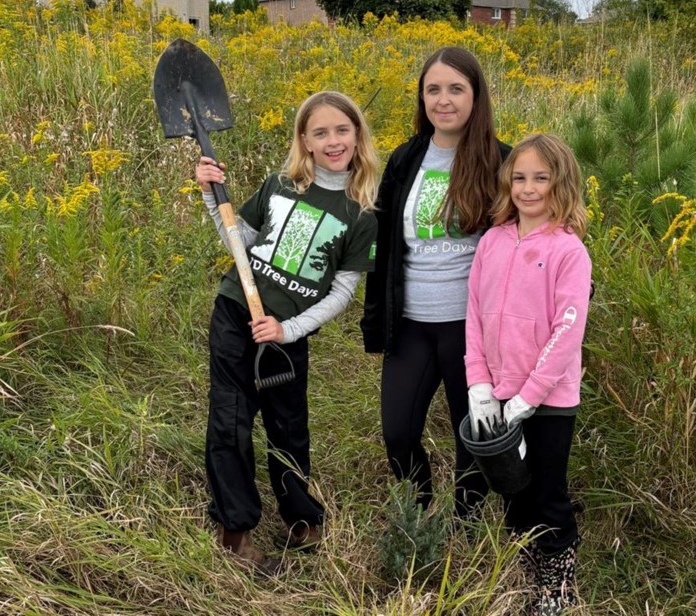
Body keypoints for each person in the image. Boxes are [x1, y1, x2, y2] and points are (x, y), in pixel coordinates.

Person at [195, 91, 379, 573]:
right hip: (237, 313)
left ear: (357, 135)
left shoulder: (362, 213)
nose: (333, 140)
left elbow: (340, 293)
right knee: (231, 420)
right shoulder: (280, 184)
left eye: (342, 130)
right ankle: (235, 530)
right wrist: (210, 193)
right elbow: (239, 240)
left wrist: (289, 329)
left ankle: (300, 516)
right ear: (305, 140)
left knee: (289, 427)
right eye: (320, 132)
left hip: (286, 336)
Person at [361, 46, 511, 518]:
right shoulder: (405, 159)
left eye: (455, 89)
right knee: (398, 432)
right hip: (411, 322)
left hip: (472, 328)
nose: (443, 100)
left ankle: (466, 519)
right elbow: (382, 241)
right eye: (433, 90)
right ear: (422, 98)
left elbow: (533, 237)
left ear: (476, 96)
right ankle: (420, 511)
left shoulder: (500, 161)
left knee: (473, 433)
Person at [464, 133, 592, 614]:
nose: (529, 188)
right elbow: (473, 315)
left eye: (541, 178)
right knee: (513, 491)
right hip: (497, 394)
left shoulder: (568, 251)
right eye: (519, 177)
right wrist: (478, 381)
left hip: (549, 401)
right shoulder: (492, 242)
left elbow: (568, 328)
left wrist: (532, 395)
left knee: (547, 491)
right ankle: (526, 569)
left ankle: (557, 584)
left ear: (561, 183)